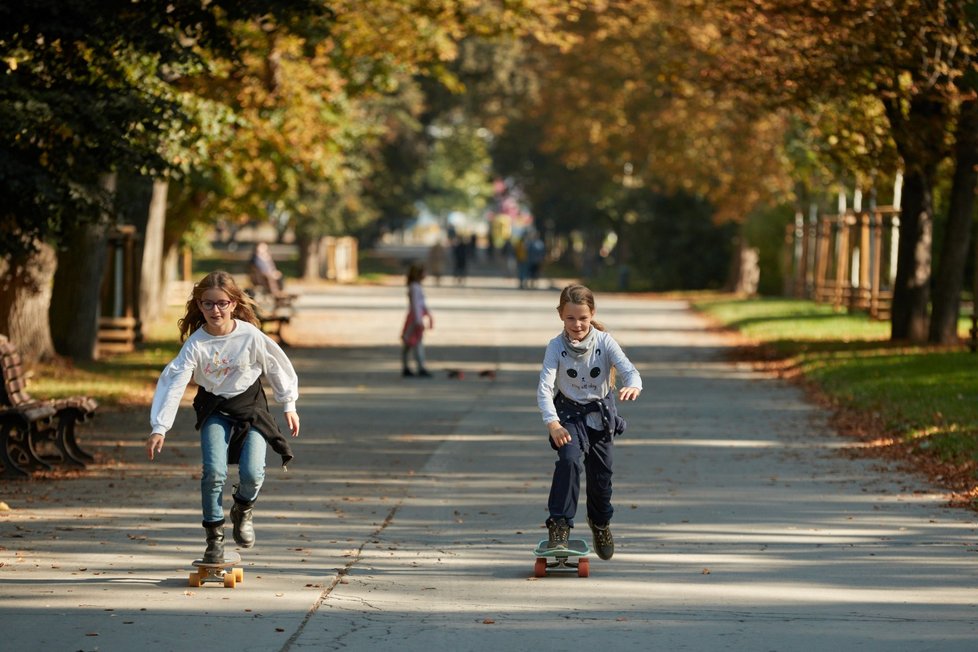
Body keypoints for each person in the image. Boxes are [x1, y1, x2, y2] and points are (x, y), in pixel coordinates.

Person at [145, 271, 300, 564]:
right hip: (214, 409)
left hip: (251, 409)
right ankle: (214, 539)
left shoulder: (250, 335)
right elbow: (174, 382)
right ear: (199, 305)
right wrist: (159, 427)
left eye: (222, 303)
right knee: (214, 473)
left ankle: (242, 509)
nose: (215, 310)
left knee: (253, 474)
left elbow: (276, 366)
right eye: (208, 304)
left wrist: (288, 404)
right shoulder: (196, 344)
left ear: (233, 303)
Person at [537, 284, 641, 560]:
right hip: (568, 416)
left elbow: (630, 370)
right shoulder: (555, 347)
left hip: (600, 416)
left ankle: (600, 521)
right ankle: (559, 524)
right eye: (570, 318)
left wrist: (634, 385)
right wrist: (553, 424)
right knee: (569, 460)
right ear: (561, 315)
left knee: (601, 478)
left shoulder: (604, 342)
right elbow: (545, 388)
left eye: (582, 318)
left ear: (592, 313)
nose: (577, 324)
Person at [401, 263, 434, 377]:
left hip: (416, 316)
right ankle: (419, 367)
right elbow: (416, 304)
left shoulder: (416, 286)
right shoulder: (414, 287)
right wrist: (418, 320)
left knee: (410, 343)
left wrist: (428, 313)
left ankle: (409, 366)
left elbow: (421, 303)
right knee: (414, 343)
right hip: (415, 318)